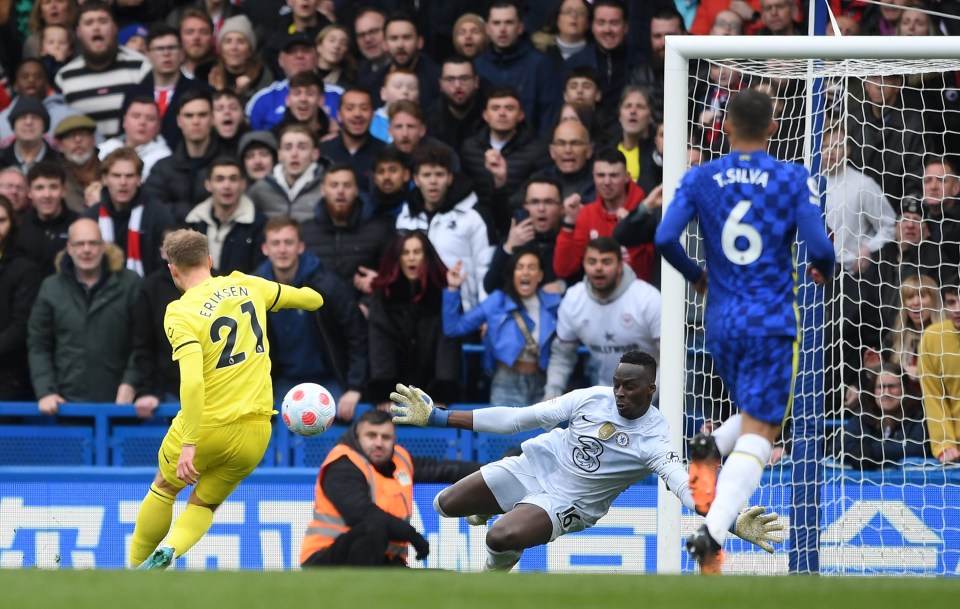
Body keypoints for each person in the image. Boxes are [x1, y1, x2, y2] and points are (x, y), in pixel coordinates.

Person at [654, 89, 836, 574]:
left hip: (721, 321)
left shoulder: (700, 177)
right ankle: (710, 536)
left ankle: (710, 448)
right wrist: (824, 267)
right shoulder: (792, 177)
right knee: (764, 429)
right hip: (772, 319)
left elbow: (664, 238)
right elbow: (819, 245)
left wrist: (697, 277)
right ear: (773, 127)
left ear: (727, 127)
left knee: (755, 416)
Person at [388, 350, 785, 571]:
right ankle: (492, 508)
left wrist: (728, 521)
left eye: (629, 386)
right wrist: (439, 416)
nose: (619, 393)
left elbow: (684, 486)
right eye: (616, 383)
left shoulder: (654, 438)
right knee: (444, 506)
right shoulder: (590, 397)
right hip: (532, 467)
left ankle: (492, 582)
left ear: (650, 389)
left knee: (499, 537)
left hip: (570, 502)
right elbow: (516, 418)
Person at [131, 228, 324, 570]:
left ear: (173, 269)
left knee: (164, 486)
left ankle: (133, 567)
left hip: (207, 427)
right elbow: (312, 300)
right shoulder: (249, 284)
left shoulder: (180, 312)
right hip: (256, 430)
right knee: (204, 504)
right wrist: (310, 292)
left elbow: (191, 382)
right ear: (209, 260)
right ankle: (173, 549)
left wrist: (189, 442)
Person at [300, 409, 481, 567]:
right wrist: (411, 535)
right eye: (371, 435)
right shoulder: (342, 463)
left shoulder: (400, 460)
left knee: (439, 582)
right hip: (325, 557)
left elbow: (445, 470)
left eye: (385, 437)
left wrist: (498, 468)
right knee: (373, 527)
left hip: (382, 558)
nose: (379, 443)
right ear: (357, 437)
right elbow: (364, 514)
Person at [257, 216, 368, 422]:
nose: (282, 249)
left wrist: (354, 387)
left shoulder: (327, 286)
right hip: (278, 382)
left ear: (301, 247)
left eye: (289, 242)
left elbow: (356, 334)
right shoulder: (253, 290)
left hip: (327, 380)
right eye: (276, 243)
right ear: (265, 248)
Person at [27, 218, 141, 414]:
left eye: (93, 243)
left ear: (103, 247)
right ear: (69, 248)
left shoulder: (129, 284)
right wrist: (46, 391)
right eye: (79, 244)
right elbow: (38, 344)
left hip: (121, 404)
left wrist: (131, 382)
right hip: (67, 405)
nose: (86, 250)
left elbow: (143, 340)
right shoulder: (51, 287)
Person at [545, 237, 661, 398]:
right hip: (605, 395)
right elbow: (562, 355)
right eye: (592, 262)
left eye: (606, 262)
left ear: (620, 266)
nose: (598, 268)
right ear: (584, 265)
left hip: (653, 395)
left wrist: (646, 399)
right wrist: (551, 395)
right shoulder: (573, 299)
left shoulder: (647, 298)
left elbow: (672, 358)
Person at [444, 247, 561, 406]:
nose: (525, 272)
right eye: (519, 267)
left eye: (531, 267)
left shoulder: (553, 304)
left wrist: (563, 285)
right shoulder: (497, 301)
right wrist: (453, 288)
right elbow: (453, 328)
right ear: (513, 274)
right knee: (503, 430)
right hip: (506, 381)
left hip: (543, 382)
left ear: (540, 275)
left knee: (543, 432)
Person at [366, 230, 461, 409]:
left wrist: (442, 392)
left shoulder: (442, 296)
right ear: (397, 258)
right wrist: (385, 393)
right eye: (405, 252)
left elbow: (447, 346)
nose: (411, 258)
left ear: (426, 257)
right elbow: (380, 346)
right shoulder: (383, 298)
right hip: (396, 393)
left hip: (432, 390)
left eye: (417, 252)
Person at [460, 86, 548, 241]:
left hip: (519, 226)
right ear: (485, 115)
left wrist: (500, 185)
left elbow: (530, 195)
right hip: (477, 229)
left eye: (509, 108)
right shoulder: (470, 148)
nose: (502, 113)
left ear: (521, 115)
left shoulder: (537, 151)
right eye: (495, 108)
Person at [54, 1, 152, 139]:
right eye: (88, 23)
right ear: (78, 32)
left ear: (114, 28)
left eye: (103, 21)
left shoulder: (141, 67)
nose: (96, 28)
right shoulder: (64, 77)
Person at [474, 1, 560, 138]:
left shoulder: (540, 65)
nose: (502, 29)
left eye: (509, 23)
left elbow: (549, 115)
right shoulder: (477, 66)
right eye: (496, 23)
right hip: (485, 151)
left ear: (520, 27)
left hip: (532, 152)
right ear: (487, 29)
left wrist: (539, 151)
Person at [83, 147, 173, 277]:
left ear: (139, 179)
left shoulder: (159, 215)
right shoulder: (90, 218)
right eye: (116, 175)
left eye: (129, 176)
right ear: (104, 179)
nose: (123, 182)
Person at [143, 88, 224, 222]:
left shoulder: (229, 163)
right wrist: (194, 212)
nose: (195, 121)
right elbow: (152, 209)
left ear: (212, 119)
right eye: (189, 115)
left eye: (202, 115)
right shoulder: (162, 168)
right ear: (179, 121)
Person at [834, 362, 929, 470]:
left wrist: (873, 452)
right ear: (873, 391)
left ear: (904, 389)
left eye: (892, 387)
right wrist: (856, 451)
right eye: (880, 387)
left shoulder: (918, 417)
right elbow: (836, 446)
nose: (886, 392)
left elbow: (918, 447)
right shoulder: (863, 418)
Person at [185, 156, 266, 276]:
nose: (227, 186)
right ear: (208, 184)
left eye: (233, 179)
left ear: (243, 184)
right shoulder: (193, 223)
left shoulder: (260, 224)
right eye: (219, 179)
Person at [0, 195, 41, 401]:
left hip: (8, 375)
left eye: (1, 220)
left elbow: (21, 326)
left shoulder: (24, 269)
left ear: (12, 224)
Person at [918, 279, 960, 464]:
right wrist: (944, 444)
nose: (957, 309)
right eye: (951, 302)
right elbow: (934, 397)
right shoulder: (933, 338)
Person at [248, 124, 326, 223]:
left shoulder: (326, 187)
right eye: (288, 148)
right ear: (279, 154)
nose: (294, 154)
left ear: (315, 154)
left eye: (302, 147)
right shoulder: (259, 189)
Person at [17, 160, 78, 276]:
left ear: (64, 191)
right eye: (39, 188)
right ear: (29, 193)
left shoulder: (79, 224)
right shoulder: (18, 226)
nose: (47, 195)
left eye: (53, 187)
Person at [96, 96, 172, 181]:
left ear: (158, 125)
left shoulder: (166, 161)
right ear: (124, 121)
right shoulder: (104, 149)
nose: (142, 122)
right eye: (136, 116)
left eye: (150, 118)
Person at [53, 114, 100, 213]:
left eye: (83, 134)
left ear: (93, 140)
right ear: (60, 145)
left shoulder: (108, 170)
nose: (78, 140)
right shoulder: (55, 176)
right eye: (70, 136)